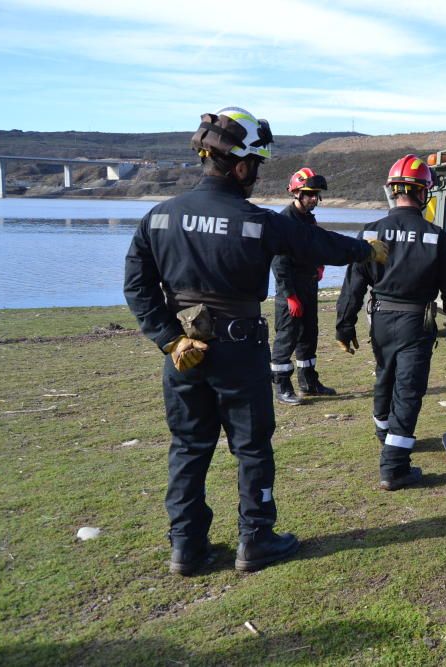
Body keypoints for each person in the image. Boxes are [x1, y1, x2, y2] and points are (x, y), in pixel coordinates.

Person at [123, 107, 388, 576]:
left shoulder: (158, 218)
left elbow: (138, 287)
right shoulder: (258, 222)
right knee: (250, 447)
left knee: (188, 447)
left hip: (185, 353)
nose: (256, 175)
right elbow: (318, 244)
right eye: (256, 166)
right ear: (240, 165)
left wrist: (169, 339)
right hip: (239, 349)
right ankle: (256, 539)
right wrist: (365, 248)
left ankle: (186, 547)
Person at [335, 155, 446, 491]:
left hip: (379, 319)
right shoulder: (436, 237)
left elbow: (353, 284)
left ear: (394, 191)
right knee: (407, 390)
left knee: (385, 375)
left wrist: (344, 326)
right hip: (415, 322)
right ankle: (394, 467)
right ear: (423, 193)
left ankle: (385, 432)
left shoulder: (370, 232)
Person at [270, 168, 334, 405]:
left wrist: (319, 265)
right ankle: (282, 386)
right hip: (291, 290)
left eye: (316, 194)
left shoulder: (310, 219)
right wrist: (290, 296)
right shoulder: (283, 221)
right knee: (287, 337)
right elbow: (279, 263)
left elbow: (314, 245)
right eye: (309, 194)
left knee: (309, 335)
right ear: (295, 193)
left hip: (309, 286)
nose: (314, 199)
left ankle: (309, 382)